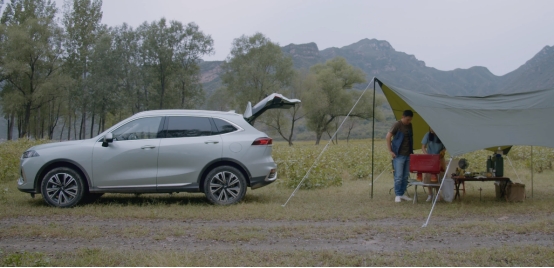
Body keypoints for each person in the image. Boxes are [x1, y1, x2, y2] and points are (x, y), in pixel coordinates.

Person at [386, 110, 414, 203]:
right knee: (398, 176)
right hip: (399, 155)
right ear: (403, 117)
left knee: (405, 176)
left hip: (408, 154)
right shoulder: (397, 124)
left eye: (410, 120)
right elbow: (388, 136)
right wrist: (390, 151)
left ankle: (402, 194)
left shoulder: (410, 125)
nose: (408, 121)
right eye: (407, 119)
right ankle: (397, 194)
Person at [421, 127, 447, 202]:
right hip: (430, 158)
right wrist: (427, 155)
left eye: (434, 130)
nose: (432, 132)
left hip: (440, 158)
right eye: (431, 130)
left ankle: (438, 194)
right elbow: (423, 147)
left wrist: (442, 151)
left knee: (439, 176)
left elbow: (445, 147)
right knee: (428, 176)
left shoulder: (442, 135)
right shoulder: (427, 135)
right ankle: (430, 195)